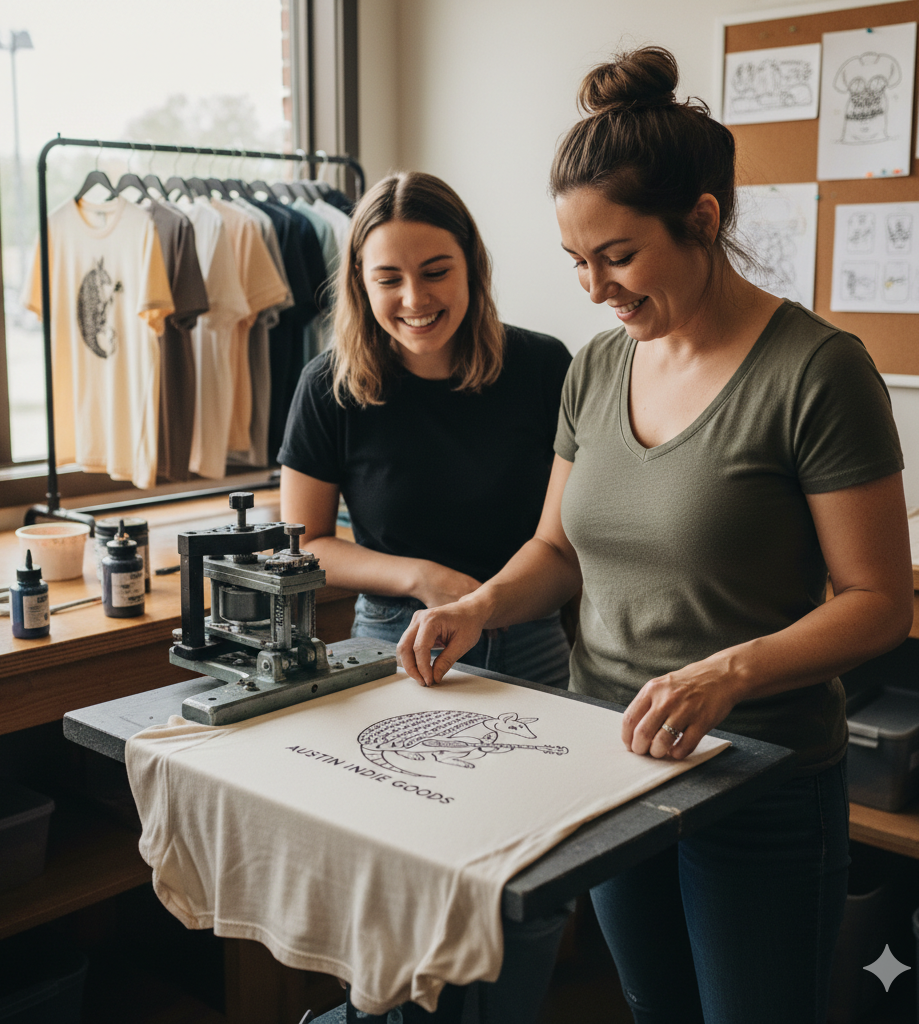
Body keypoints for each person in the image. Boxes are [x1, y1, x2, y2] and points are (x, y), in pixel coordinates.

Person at [397, 47, 913, 1024]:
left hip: (757, 775)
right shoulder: (594, 368)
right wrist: (471, 606)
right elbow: (555, 552)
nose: (593, 287)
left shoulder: (817, 371)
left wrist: (727, 672)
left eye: (618, 255)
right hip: (610, 761)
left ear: (703, 221)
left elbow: (876, 602)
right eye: (574, 261)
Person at [277, 170, 574, 1022]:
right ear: (360, 284)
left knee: (530, 883)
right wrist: (420, 578)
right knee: (401, 883)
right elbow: (305, 545)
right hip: (390, 654)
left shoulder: (544, 366)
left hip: (526, 644)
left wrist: (485, 601)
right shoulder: (329, 384)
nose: (415, 298)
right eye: (389, 278)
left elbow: (566, 534)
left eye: (436, 269)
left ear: (472, 266)